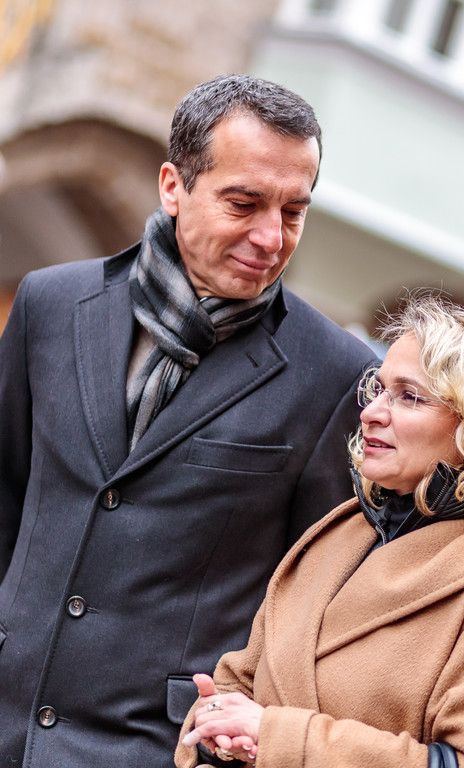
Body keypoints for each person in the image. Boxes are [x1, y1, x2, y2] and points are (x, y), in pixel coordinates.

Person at [0, 75, 375, 766]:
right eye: (244, 203)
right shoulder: (49, 304)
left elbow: (315, 603)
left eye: (294, 211)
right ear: (173, 186)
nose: (271, 236)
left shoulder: (337, 375)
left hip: (163, 748)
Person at [176, 295, 464, 768]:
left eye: (409, 396)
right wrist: (218, 729)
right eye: (377, 389)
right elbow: (243, 682)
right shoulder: (342, 530)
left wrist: (281, 737)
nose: (372, 412)